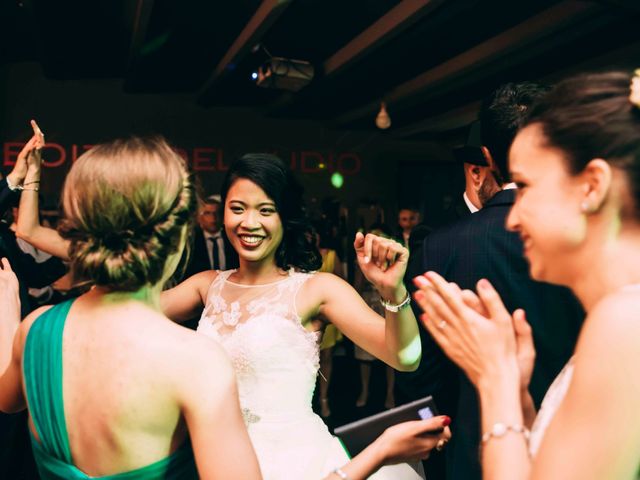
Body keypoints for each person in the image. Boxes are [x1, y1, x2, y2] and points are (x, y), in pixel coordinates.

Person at [15, 133, 451, 480]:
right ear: (221, 212)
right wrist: (38, 199)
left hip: (297, 461)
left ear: (285, 218)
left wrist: (393, 292)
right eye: (237, 208)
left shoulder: (318, 289)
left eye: (266, 210)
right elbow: (120, 303)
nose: (249, 223)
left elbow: (404, 358)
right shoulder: (206, 286)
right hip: (206, 455)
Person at [414, 70, 640, 479]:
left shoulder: (625, 320)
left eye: (526, 185)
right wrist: (518, 393)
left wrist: (495, 380)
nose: (512, 217)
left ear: (592, 187)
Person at [1, 131, 262, 479]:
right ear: (178, 236)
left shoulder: (35, 330)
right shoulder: (196, 360)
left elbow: (6, 399)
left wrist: (8, 313)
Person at [397, 82, 584, 480]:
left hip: (472, 449)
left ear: (487, 156)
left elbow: (421, 372)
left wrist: (431, 431)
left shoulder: (438, 246)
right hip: (581, 445)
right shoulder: (586, 238)